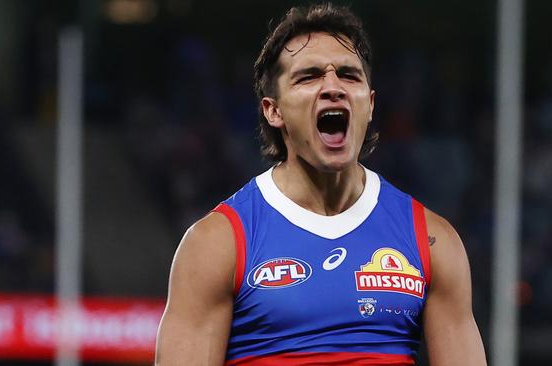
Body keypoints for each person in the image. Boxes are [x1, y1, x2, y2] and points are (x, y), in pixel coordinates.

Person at [156, 3, 487, 365]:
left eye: (349, 75)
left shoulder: (432, 241)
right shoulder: (216, 244)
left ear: (370, 104)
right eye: (309, 76)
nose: (333, 87)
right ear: (273, 110)